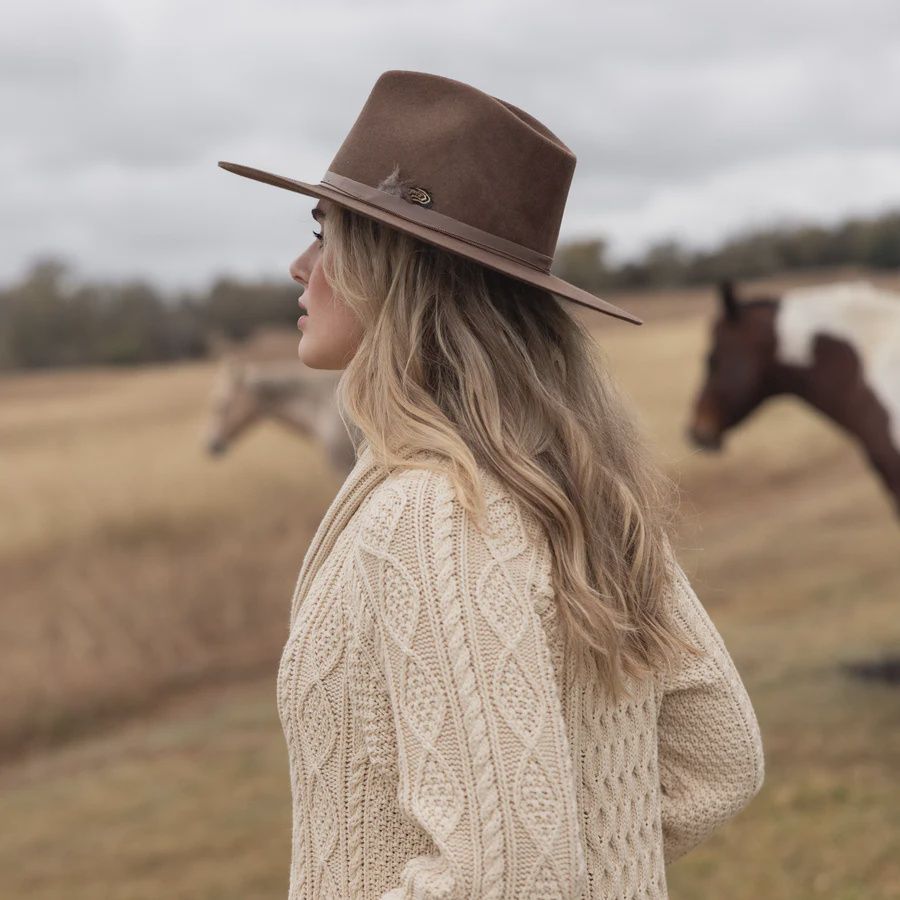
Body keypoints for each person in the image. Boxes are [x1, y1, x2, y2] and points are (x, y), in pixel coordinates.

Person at [219, 69, 764, 900]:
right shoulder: (571, 484)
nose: (300, 265)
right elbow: (719, 761)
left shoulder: (432, 512)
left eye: (327, 231)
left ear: (397, 267)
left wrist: (543, 859)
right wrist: (595, 865)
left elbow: (506, 877)